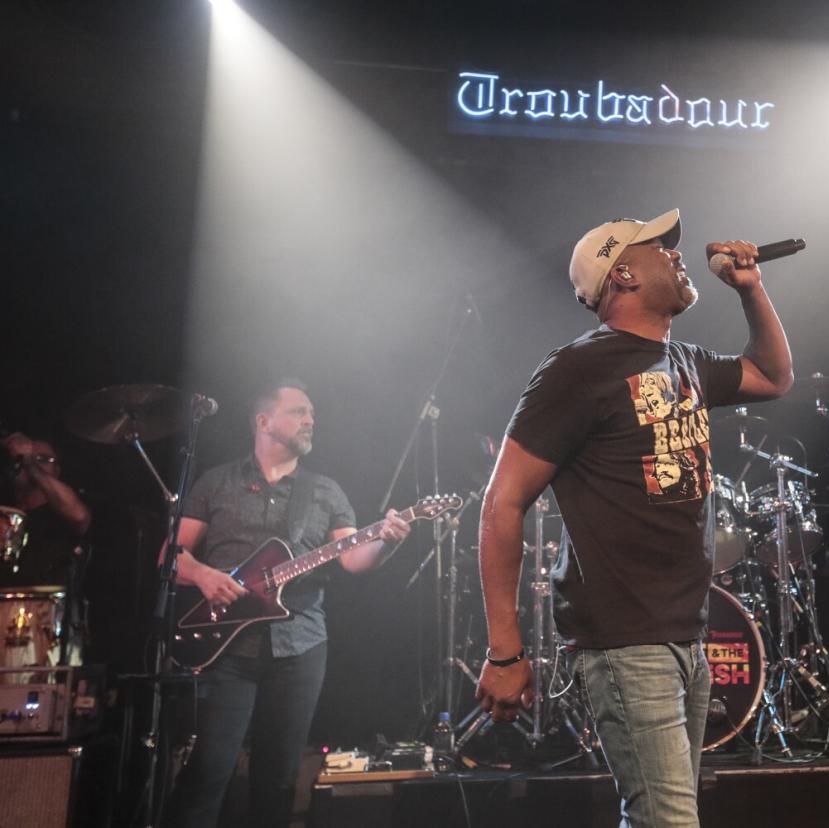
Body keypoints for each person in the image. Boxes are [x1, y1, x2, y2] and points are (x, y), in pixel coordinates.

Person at [476, 209, 793, 827]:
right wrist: (505, 652)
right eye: (661, 248)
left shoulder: (686, 360)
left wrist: (751, 290)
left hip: (684, 628)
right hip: (626, 637)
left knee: (655, 816)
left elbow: (775, 378)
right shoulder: (576, 370)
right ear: (622, 273)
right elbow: (501, 504)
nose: (678, 254)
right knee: (669, 819)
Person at [163, 379, 411, 828]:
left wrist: (387, 541)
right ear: (264, 421)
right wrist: (204, 575)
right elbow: (170, 555)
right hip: (226, 647)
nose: (310, 420)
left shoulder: (325, 492)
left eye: (311, 413)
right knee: (208, 772)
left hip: (300, 645)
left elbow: (353, 559)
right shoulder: (217, 482)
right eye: (299, 411)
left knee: (278, 780)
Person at [0, 432, 92, 668]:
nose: (32, 462)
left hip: (46, 620)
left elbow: (79, 516)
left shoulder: (61, 510)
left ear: (57, 471)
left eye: (43, 458)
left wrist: (30, 463)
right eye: (26, 458)